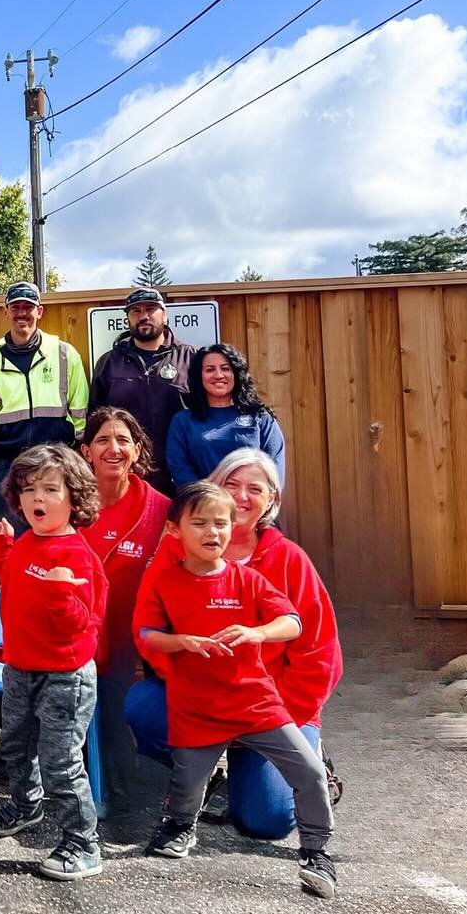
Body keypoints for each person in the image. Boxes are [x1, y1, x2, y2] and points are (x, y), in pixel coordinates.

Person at [134, 482, 337, 900]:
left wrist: (257, 631)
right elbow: (147, 633)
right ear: (174, 530)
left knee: (310, 773)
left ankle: (316, 851)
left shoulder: (249, 580)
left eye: (222, 524)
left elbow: (293, 623)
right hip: (196, 708)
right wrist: (182, 641)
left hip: (255, 703)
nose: (214, 532)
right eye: (201, 523)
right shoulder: (165, 582)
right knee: (187, 787)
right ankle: (180, 826)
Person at [0, 444, 107, 881]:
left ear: (75, 498)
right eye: (29, 489)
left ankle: (83, 841)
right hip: (20, 667)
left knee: (60, 761)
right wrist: (3, 550)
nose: (38, 498)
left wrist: (61, 593)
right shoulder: (28, 544)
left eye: (51, 489)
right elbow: (15, 582)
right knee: (14, 746)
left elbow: (83, 627)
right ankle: (26, 804)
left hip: (65, 676)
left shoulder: (78, 556)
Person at [76, 406, 170, 803]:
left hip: (136, 639)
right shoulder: (70, 504)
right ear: (86, 452)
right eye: (102, 440)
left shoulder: (162, 510)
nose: (113, 448)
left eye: (123, 441)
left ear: (136, 451)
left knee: (123, 706)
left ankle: (126, 779)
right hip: (79, 635)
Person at [0, 282, 89, 528]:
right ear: (5, 312)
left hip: (57, 459)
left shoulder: (64, 354)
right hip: (10, 463)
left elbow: (80, 406)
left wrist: (73, 446)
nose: (21, 313)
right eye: (15, 307)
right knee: (12, 538)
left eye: (28, 307)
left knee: (60, 532)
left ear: (40, 311)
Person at [89, 288, 194, 493]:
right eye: (136, 311)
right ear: (128, 319)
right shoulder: (109, 362)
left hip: (179, 474)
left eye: (151, 309)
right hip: (126, 474)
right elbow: (94, 420)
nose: (143, 316)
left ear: (164, 314)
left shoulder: (190, 358)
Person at [166, 344, 285, 489]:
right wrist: (212, 502)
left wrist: (252, 498)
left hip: (252, 505)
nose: (218, 375)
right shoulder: (183, 421)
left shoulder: (261, 418)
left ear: (236, 373)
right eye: (210, 370)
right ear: (199, 376)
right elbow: (181, 471)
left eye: (225, 368)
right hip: (205, 507)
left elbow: (274, 469)